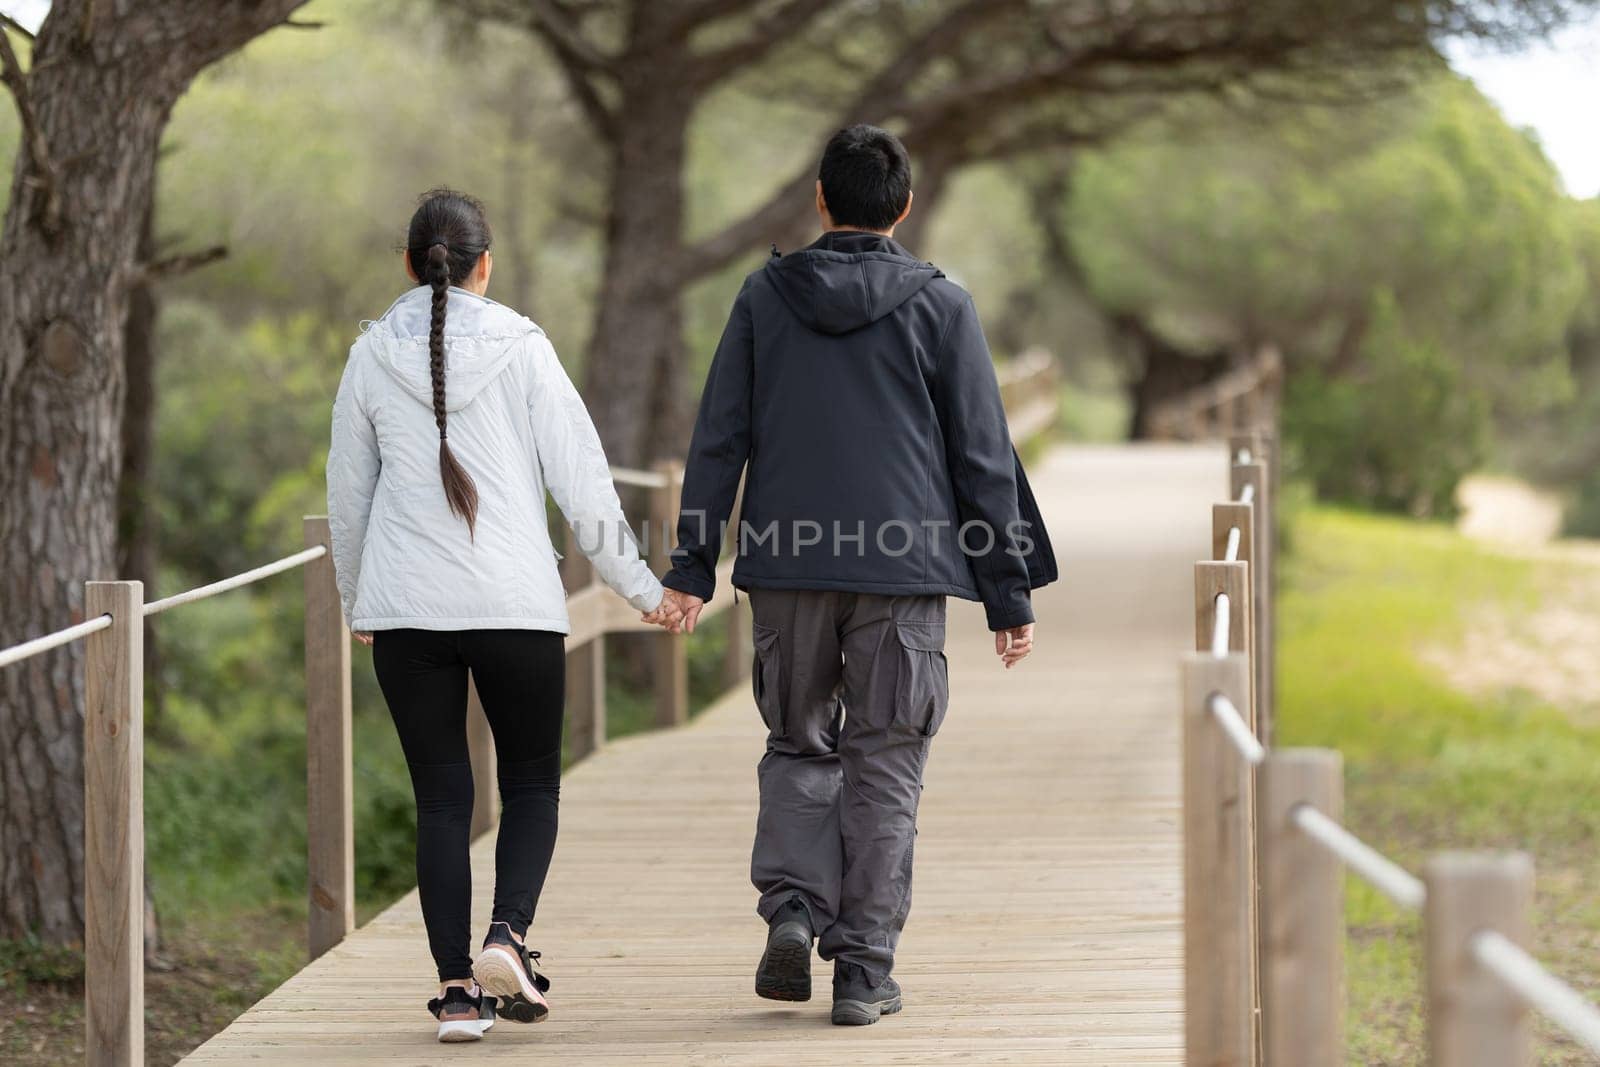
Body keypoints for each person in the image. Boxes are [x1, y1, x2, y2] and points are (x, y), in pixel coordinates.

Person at [650, 125, 1056, 1025]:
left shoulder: (764, 296)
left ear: (821, 202)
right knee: (887, 762)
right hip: (902, 573)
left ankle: (794, 907)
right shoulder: (942, 306)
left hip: (789, 567)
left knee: (800, 741)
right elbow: (982, 457)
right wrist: (1007, 588)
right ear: (902, 207)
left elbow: (720, 437)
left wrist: (690, 565)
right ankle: (865, 971)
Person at [327, 189, 668, 1043]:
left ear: (410, 264)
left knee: (442, 800)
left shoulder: (370, 356)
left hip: (406, 611)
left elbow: (347, 497)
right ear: (486, 265)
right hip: (517, 605)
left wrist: (356, 597)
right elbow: (583, 483)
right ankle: (507, 937)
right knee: (530, 785)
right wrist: (642, 589)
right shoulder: (525, 348)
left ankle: (455, 994)